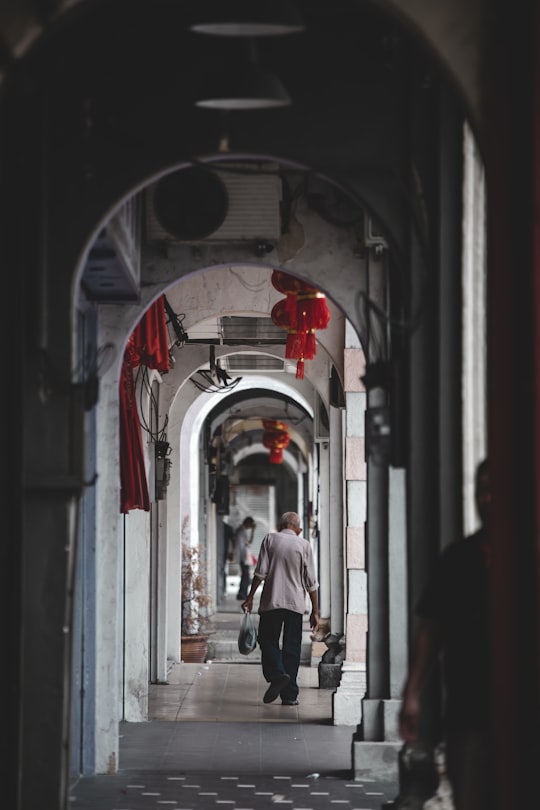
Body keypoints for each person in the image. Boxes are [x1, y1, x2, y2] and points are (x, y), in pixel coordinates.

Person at [398, 459, 493, 810]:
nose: (488, 498)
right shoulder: (459, 557)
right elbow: (431, 628)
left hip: (524, 704)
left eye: (496, 489)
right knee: (470, 790)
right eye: (482, 489)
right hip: (467, 704)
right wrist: (412, 692)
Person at [241, 511, 320, 706]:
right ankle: (290, 695)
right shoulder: (304, 545)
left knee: (267, 640)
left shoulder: (270, 539)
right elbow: (312, 583)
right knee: (292, 648)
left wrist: (250, 598)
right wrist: (315, 611)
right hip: (295, 605)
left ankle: (277, 675)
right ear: (299, 529)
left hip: (271, 602)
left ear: (279, 525)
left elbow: (260, 573)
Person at [234, 516, 256, 601]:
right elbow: (244, 544)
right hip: (243, 556)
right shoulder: (241, 531)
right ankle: (242, 594)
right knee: (245, 576)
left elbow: (249, 542)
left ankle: (243, 593)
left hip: (244, 556)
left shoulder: (243, 531)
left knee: (245, 575)